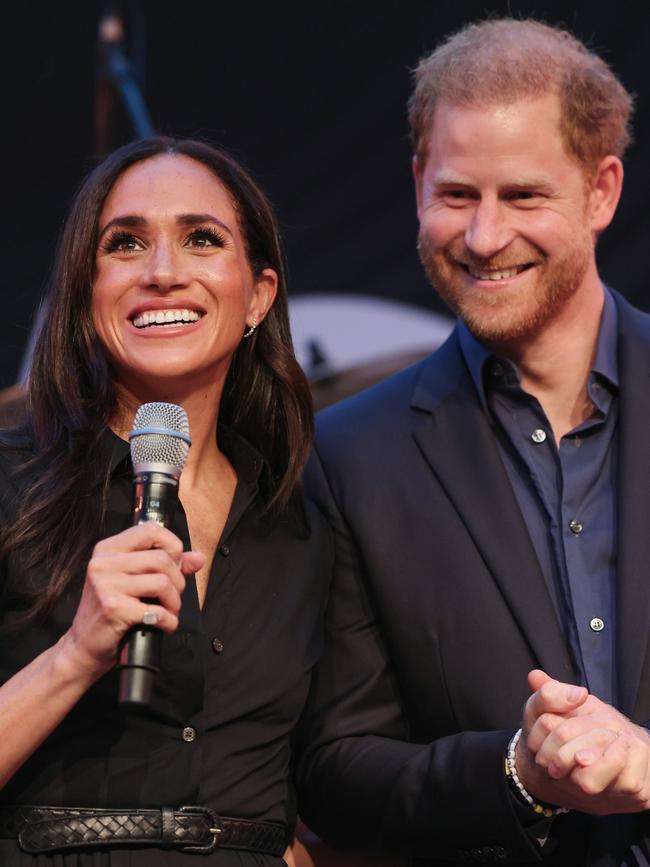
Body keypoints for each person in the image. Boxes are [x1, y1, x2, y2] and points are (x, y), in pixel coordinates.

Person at [296, 18, 650, 866]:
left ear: (602, 192)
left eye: (524, 197)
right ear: (418, 182)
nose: (485, 237)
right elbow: (335, 770)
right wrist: (517, 769)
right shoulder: (351, 457)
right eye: (457, 195)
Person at [0, 136, 332, 865]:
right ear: (86, 294)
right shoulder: (9, 486)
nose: (162, 272)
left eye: (201, 239)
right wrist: (76, 654)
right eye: (124, 244)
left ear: (259, 295)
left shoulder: (303, 522)